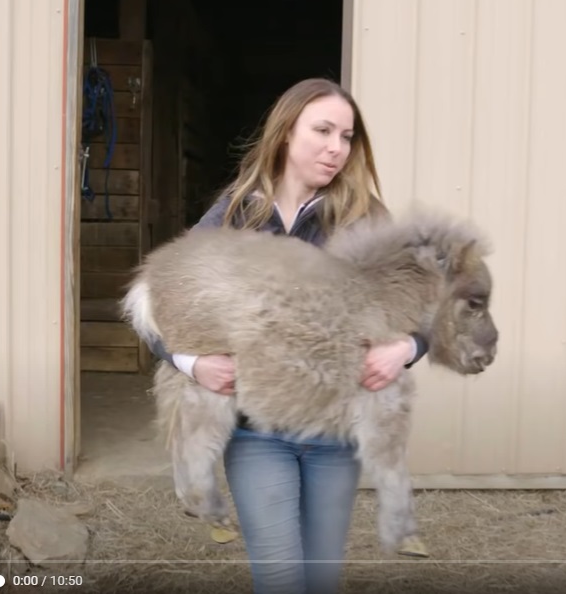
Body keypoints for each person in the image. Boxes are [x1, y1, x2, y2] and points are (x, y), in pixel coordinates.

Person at [144, 77, 430, 594]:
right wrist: (194, 365)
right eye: (322, 130)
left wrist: (404, 349)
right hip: (258, 436)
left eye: (346, 137)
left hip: (335, 438)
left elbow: (432, 306)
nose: (335, 148)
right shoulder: (233, 216)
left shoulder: (365, 219)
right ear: (284, 134)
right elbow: (157, 309)